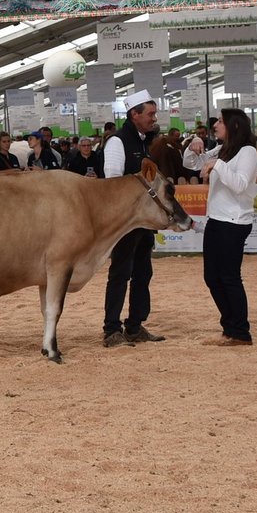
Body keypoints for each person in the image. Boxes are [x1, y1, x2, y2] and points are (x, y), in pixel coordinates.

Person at [183, 108, 257, 346]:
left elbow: (239, 184)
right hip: (216, 220)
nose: (215, 125)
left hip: (235, 222)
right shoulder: (223, 150)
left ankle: (240, 332)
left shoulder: (248, 152)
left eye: (220, 121)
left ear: (233, 125)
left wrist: (217, 165)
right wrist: (192, 143)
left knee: (229, 277)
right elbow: (191, 163)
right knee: (212, 277)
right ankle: (229, 327)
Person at [101, 90, 164, 347]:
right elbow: (113, 183)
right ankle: (111, 330)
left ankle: (135, 326)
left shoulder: (142, 140)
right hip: (126, 222)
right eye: (150, 113)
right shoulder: (117, 142)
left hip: (144, 221)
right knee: (120, 273)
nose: (154, 118)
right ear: (134, 114)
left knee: (142, 273)